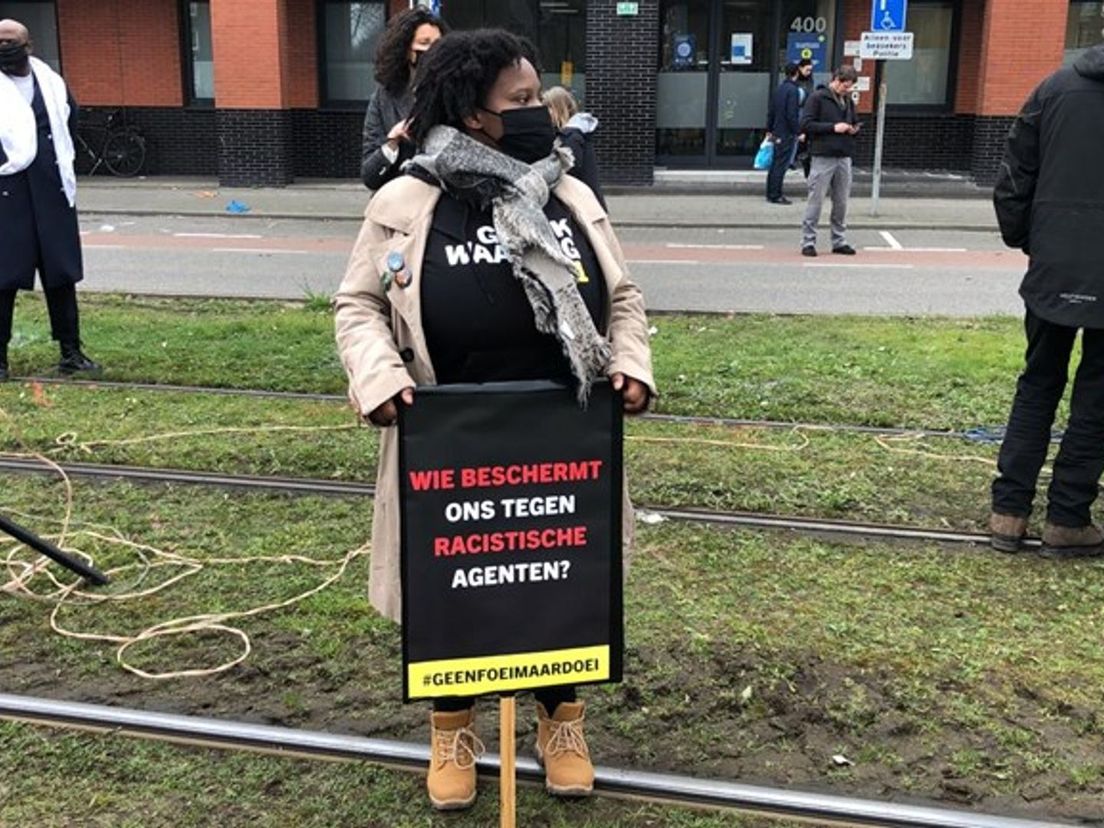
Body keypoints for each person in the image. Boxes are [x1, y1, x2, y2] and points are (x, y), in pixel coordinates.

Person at [334, 28, 654, 811]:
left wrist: (630, 364)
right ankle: (453, 731)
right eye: (520, 100)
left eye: (538, 93)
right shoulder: (404, 200)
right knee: (459, 589)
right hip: (448, 441)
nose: (541, 110)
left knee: (556, 582)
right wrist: (377, 377)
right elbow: (359, 305)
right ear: (474, 116)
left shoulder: (570, 195)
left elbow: (622, 298)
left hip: (563, 440)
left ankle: (562, 723)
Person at [988, 41, 1104, 558]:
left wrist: (1031, 241)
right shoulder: (1056, 87)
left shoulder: (1054, 88)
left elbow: (1014, 174)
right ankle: (1068, 519)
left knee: (1038, 382)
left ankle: (1008, 513)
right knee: (1097, 399)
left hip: (1053, 265)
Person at [0, 18, 99, 382]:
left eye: (10, 41)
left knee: (61, 277)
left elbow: (68, 125)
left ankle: (71, 352)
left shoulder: (52, 85)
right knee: (3, 280)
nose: (4, 48)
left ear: (28, 46)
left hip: (52, 193)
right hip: (7, 196)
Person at [359, 7, 446, 191]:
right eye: (424, 43)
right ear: (406, 50)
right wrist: (392, 141)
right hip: (398, 204)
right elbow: (369, 176)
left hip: (442, 203)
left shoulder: (456, 94)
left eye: (438, 44)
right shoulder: (385, 98)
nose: (433, 51)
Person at [798, 65, 859, 257]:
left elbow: (854, 120)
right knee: (815, 200)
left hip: (843, 155)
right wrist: (833, 127)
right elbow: (806, 124)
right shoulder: (817, 98)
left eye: (850, 87)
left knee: (841, 201)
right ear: (837, 80)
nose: (847, 90)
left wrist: (853, 128)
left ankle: (839, 241)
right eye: (845, 86)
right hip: (823, 155)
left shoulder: (847, 100)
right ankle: (808, 242)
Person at [542, 85, 606, 208]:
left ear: (558, 108)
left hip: (583, 204)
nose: (545, 112)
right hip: (587, 201)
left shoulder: (571, 137)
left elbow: (570, 172)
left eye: (548, 107)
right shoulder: (575, 133)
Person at [764, 62, 801, 204]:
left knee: (775, 163)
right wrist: (797, 131)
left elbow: (771, 111)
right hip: (786, 132)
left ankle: (770, 192)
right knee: (781, 164)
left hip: (776, 131)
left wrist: (769, 129)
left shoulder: (779, 89)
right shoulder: (793, 91)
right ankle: (776, 195)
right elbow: (792, 114)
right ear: (796, 73)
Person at [794, 58, 815, 178]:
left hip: (807, 114)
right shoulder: (796, 82)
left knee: (805, 143)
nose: (809, 72)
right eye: (807, 70)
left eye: (810, 70)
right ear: (800, 68)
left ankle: (803, 161)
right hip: (799, 114)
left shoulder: (810, 81)